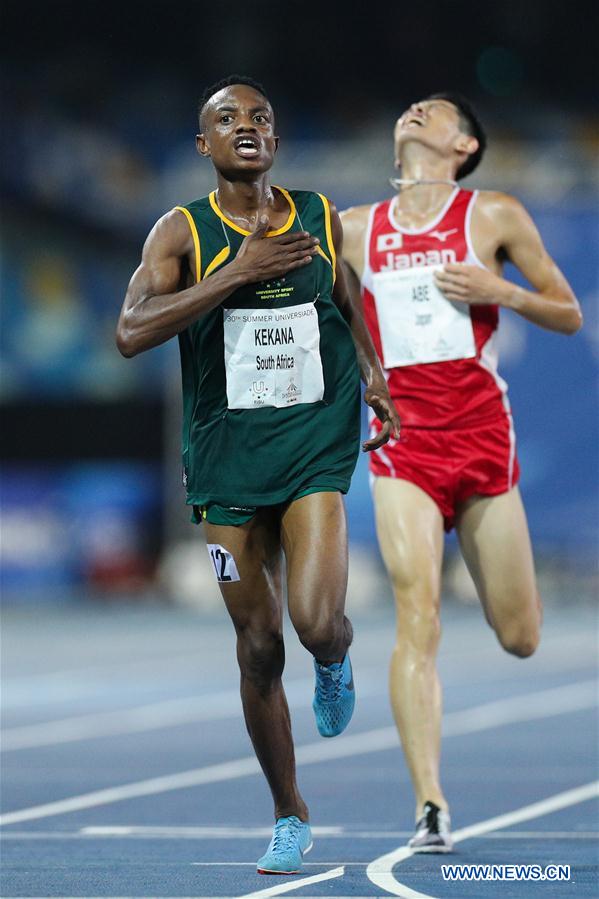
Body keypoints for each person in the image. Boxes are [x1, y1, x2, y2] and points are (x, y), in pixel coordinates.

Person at [116, 75, 399, 875]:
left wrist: (373, 371)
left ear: (275, 140)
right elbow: (131, 333)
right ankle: (288, 813)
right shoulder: (179, 232)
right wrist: (236, 273)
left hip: (312, 440)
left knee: (313, 625)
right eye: (227, 119)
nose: (248, 126)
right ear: (204, 145)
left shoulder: (316, 215)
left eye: (261, 117)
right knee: (259, 648)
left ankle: (337, 656)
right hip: (225, 460)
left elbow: (341, 295)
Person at [340, 92, 582, 853]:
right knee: (417, 613)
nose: (414, 110)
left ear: (465, 145)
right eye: (409, 106)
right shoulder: (353, 228)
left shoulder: (493, 215)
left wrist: (498, 290)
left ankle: (433, 793)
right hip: (401, 442)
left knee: (519, 635)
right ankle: (429, 803)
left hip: (480, 438)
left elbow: (567, 310)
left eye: (433, 110)